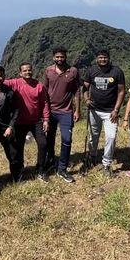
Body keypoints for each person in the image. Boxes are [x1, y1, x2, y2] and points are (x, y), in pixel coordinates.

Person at [3, 63, 50, 181]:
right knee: (18, 147)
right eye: (25, 71)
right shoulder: (15, 83)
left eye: (29, 70)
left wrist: (46, 120)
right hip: (19, 122)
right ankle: (19, 169)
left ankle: (40, 169)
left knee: (43, 144)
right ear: (20, 73)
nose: (27, 72)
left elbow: (44, 103)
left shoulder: (39, 86)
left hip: (36, 121)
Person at [83, 50, 125, 175]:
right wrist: (86, 99)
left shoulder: (117, 71)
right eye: (100, 57)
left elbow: (121, 91)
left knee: (111, 137)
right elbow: (85, 87)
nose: (102, 60)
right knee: (93, 135)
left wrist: (116, 109)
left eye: (105, 58)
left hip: (110, 112)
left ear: (109, 58)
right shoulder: (91, 71)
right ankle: (92, 156)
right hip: (94, 110)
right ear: (96, 58)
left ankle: (106, 163)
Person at [44, 46, 81, 183]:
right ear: (54, 57)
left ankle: (62, 168)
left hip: (66, 111)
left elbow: (76, 91)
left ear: (65, 57)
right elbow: (45, 91)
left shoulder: (73, 71)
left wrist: (77, 110)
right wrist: (44, 111)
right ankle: (51, 162)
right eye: (57, 57)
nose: (60, 59)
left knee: (67, 139)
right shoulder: (48, 71)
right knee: (50, 139)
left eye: (62, 56)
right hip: (51, 111)